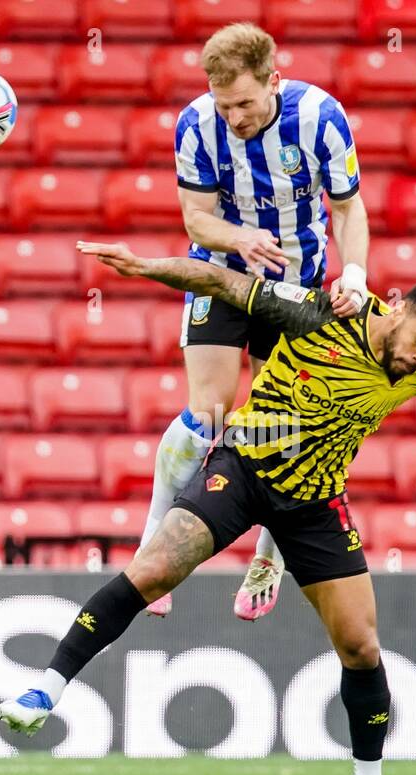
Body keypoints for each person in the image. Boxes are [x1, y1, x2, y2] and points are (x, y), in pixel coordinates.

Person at [0, 241, 416, 775]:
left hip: (315, 504)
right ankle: (47, 688)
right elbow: (220, 282)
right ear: (398, 306)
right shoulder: (325, 313)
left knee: (360, 645)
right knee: (155, 572)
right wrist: (146, 266)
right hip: (244, 467)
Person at [144, 21, 371, 622]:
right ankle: (154, 548)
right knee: (207, 415)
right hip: (222, 276)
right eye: (225, 105)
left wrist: (355, 275)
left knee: (279, 428)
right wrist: (240, 238)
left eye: (244, 102)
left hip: (296, 285)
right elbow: (195, 219)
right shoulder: (196, 124)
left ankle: (268, 558)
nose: (234, 116)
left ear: (275, 80)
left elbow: (348, 208)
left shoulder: (321, 117)